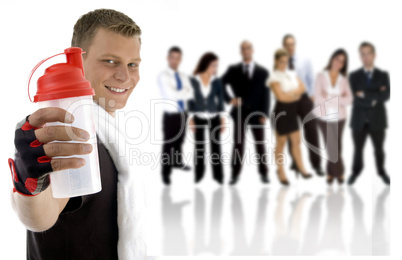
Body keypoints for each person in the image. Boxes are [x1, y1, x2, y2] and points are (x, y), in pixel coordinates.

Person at [8, 9, 146, 259]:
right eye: (110, 61)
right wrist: (29, 184)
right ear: (77, 64)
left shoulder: (113, 140)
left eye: (132, 64)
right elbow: (41, 217)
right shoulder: (74, 133)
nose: (124, 75)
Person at [221, 40, 270, 185]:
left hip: (257, 113)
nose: (246, 51)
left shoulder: (263, 72)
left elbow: (266, 94)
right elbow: (219, 83)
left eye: (248, 48)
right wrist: (229, 99)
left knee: (260, 144)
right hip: (240, 112)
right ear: (240, 51)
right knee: (238, 144)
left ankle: (264, 173)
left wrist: (264, 114)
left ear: (252, 50)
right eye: (243, 49)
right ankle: (234, 175)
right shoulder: (233, 69)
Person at [267, 49, 312, 185]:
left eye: (286, 62)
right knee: (281, 143)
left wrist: (290, 94)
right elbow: (281, 97)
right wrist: (295, 94)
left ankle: (302, 168)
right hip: (281, 113)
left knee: (296, 142)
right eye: (281, 62)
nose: (283, 65)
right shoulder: (274, 77)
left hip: (292, 113)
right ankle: (280, 171)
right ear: (275, 61)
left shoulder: (292, 73)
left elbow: (303, 87)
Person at [348, 42, 390, 185]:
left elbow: (386, 96)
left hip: (377, 120)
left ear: (374, 55)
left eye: (368, 53)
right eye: (362, 54)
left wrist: (364, 94)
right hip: (358, 120)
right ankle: (355, 172)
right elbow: (353, 98)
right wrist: (374, 97)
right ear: (360, 56)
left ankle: (381, 172)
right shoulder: (353, 75)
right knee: (357, 150)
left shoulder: (383, 75)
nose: (365, 57)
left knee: (379, 149)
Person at [282, 34, 324, 177]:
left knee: (312, 131)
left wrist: (312, 96)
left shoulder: (305, 61)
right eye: (287, 44)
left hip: (304, 99)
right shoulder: (280, 63)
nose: (290, 47)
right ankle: (295, 162)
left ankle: (316, 164)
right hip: (288, 100)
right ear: (284, 46)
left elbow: (311, 79)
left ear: (295, 45)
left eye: (292, 44)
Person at [313, 49, 353, 184]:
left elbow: (349, 100)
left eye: (342, 61)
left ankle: (330, 172)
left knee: (336, 146)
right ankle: (339, 173)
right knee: (332, 147)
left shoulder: (344, 79)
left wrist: (329, 97)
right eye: (337, 59)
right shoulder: (320, 76)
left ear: (344, 64)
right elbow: (317, 98)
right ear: (332, 59)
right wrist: (338, 99)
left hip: (340, 118)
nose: (338, 63)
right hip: (323, 117)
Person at [188, 52, 225, 184]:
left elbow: (220, 100)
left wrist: (223, 118)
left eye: (217, 66)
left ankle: (218, 176)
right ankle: (199, 175)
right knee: (199, 147)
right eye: (214, 65)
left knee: (216, 147)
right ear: (206, 64)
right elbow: (190, 100)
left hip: (214, 116)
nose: (216, 69)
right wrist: (190, 118)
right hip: (198, 117)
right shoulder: (194, 80)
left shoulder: (217, 81)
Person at [158, 46, 193, 185]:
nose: (175, 60)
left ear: (180, 59)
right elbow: (171, 94)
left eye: (177, 58)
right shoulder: (164, 76)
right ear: (168, 58)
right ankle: (165, 172)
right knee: (169, 143)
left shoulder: (183, 76)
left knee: (180, 140)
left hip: (183, 113)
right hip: (171, 114)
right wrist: (184, 92)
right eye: (172, 57)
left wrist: (183, 92)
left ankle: (177, 162)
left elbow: (190, 93)